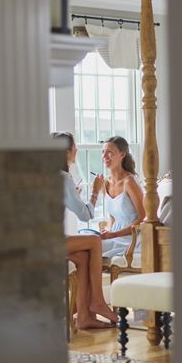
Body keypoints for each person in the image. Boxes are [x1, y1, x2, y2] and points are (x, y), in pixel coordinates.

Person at [53, 132, 118, 328]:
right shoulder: (63, 177)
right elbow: (85, 215)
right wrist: (95, 192)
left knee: (83, 257)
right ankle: (97, 302)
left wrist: (74, 195)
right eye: (75, 148)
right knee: (94, 240)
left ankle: (83, 317)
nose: (77, 151)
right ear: (66, 151)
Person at [98, 136, 146, 258]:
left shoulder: (129, 182)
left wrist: (113, 234)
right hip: (113, 236)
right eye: (103, 152)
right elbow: (112, 217)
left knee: (88, 250)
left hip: (130, 239)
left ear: (122, 154)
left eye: (109, 152)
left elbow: (143, 217)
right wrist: (107, 232)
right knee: (86, 246)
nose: (104, 157)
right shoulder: (105, 183)